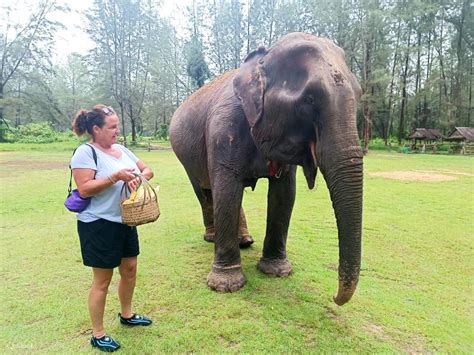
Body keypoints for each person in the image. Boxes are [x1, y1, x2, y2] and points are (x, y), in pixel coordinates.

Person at [71, 104, 153, 352]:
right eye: (112, 127)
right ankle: (97, 333)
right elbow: (85, 188)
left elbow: (147, 169)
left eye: (118, 126)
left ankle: (127, 315)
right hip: (98, 223)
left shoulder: (121, 149)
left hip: (125, 220)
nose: (117, 131)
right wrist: (115, 177)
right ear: (95, 129)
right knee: (102, 280)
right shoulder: (85, 153)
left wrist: (139, 178)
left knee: (129, 269)